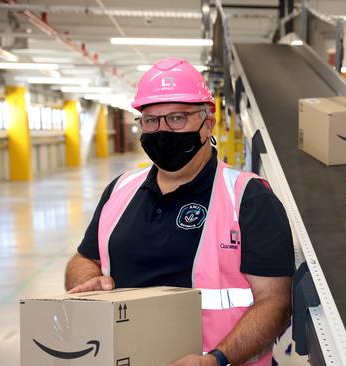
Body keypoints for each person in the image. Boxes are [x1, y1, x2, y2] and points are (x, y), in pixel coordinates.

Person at [64, 57, 294, 366]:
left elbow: (276, 302)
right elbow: (84, 259)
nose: (161, 131)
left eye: (176, 118)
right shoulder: (120, 189)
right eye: (150, 120)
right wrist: (89, 280)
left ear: (207, 124)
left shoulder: (249, 199)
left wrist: (216, 360)